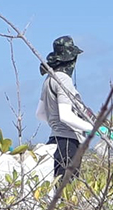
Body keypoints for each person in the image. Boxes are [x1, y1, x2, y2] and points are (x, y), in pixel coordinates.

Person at [36, 35, 108, 179]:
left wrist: (56, 125)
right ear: (71, 59)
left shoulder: (49, 79)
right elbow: (66, 116)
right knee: (67, 194)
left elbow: (40, 114)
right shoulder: (63, 79)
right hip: (68, 145)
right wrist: (94, 128)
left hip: (54, 141)